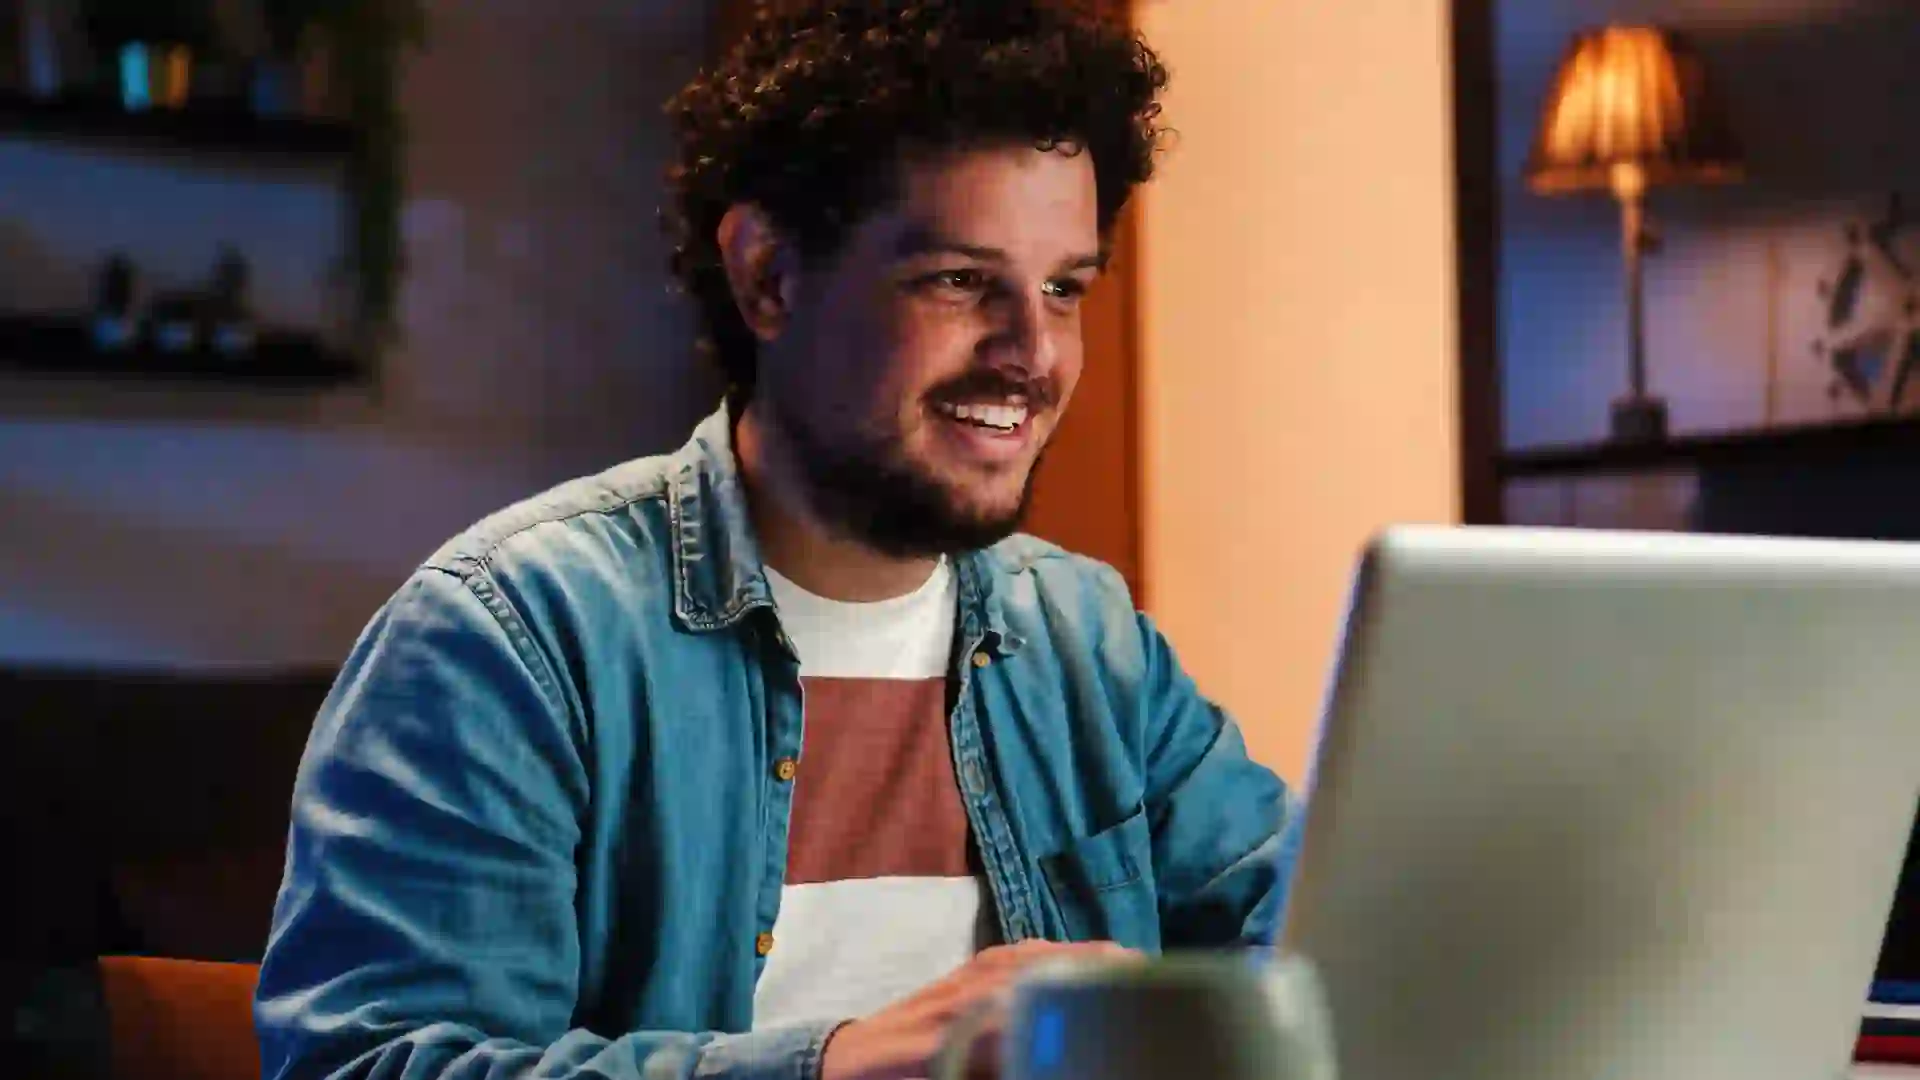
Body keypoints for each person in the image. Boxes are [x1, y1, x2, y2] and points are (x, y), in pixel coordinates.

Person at [253, 2, 1295, 1078]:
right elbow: (370, 1066)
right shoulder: (513, 638)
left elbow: (1316, 957)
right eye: (957, 281)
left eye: (1063, 288)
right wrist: (835, 1066)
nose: (1032, 355)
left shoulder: (1088, 643)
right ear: (768, 276)